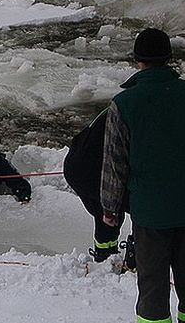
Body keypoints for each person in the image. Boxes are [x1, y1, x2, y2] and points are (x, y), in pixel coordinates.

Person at [101, 28, 185, 323]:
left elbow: (114, 163)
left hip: (151, 214)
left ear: (137, 60)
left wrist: (110, 208)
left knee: (152, 288)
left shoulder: (124, 104)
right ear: (170, 58)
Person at [63, 108, 128, 263]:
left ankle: (106, 256)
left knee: (107, 214)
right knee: (138, 208)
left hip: (77, 164)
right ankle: (134, 255)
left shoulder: (118, 106)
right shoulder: (130, 111)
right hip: (91, 168)